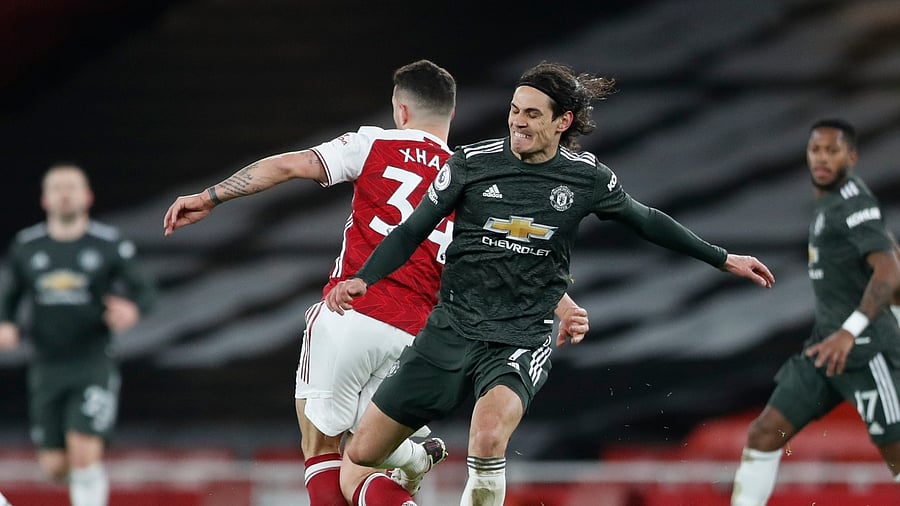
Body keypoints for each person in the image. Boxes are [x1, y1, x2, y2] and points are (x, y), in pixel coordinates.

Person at [324, 61, 775, 506]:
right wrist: (364, 277)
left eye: (532, 114)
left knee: (487, 437)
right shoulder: (471, 165)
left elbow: (646, 220)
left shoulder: (585, 177)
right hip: (452, 328)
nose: (517, 122)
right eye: (515, 110)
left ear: (564, 122)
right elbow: (410, 231)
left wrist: (722, 258)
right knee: (362, 452)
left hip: (520, 336)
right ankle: (418, 460)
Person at [162, 59, 592, 506]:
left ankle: (414, 456)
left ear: (400, 110)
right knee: (361, 470)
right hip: (417, 338)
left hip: (353, 312)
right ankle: (413, 455)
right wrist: (564, 307)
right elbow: (510, 258)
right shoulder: (471, 175)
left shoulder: (375, 142)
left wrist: (208, 196)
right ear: (452, 115)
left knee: (321, 450)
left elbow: (290, 166)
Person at [730, 119, 900, 506]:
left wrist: (852, 331)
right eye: (815, 150)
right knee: (764, 433)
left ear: (851, 156)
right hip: (827, 351)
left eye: (832, 150)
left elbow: (889, 271)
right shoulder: (832, 203)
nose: (822, 158)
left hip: (865, 351)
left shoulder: (854, 202)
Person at [0, 163, 157, 506]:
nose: (65, 193)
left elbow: (145, 291)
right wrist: (6, 323)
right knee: (55, 466)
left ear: (87, 196)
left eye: (72, 187)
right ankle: (88, 485)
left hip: (92, 361)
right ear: (45, 199)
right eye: (57, 187)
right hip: (46, 365)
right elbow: (9, 295)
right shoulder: (27, 246)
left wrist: (131, 309)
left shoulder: (108, 244)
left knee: (84, 451)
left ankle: (89, 488)